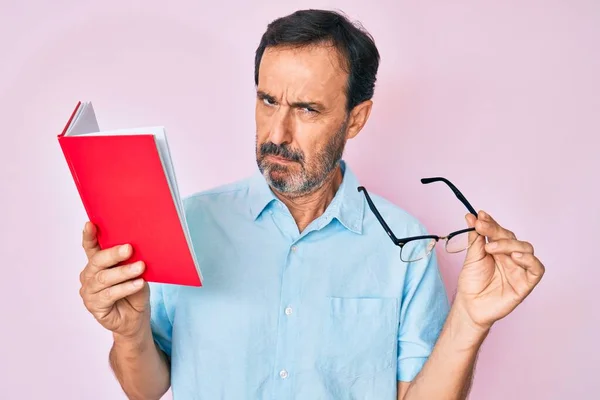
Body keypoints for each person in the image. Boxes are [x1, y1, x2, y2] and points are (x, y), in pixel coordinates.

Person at [77, 9, 545, 400]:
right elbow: (147, 389)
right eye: (267, 101)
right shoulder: (190, 224)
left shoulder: (406, 247)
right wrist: (129, 332)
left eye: (307, 109)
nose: (277, 135)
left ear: (355, 118)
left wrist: (470, 318)